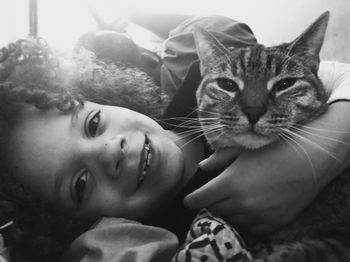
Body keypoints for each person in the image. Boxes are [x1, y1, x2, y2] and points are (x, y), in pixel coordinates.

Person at [0, 13, 349, 262]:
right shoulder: (165, 238)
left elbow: (333, 75)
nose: (111, 151)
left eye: (93, 123)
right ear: (80, 224)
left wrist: (324, 150)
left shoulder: (195, 85)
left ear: (106, 98)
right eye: (80, 183)